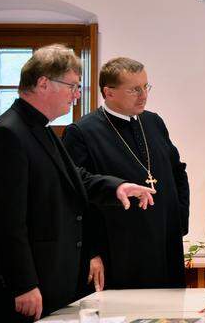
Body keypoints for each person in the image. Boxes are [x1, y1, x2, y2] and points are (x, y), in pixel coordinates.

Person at [0, 45, 156, 321]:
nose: (77, 94)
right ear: (43, 83)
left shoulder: (42, 130)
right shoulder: (8, 134)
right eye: (72, 86)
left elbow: (75, 179)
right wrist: (23, 284)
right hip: (32, 285)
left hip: (56, 278)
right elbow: (6, 221)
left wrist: (117, 187)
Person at [62, 57, 190, 290]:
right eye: (134, 89)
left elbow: (177, 172)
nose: (143, 95)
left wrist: (178, 221)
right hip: (119, 250)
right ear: (108, 92)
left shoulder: (153, 122)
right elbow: (75, 198)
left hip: (164, 243)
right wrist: (91, 253)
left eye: (145, 87)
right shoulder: (81, 132)